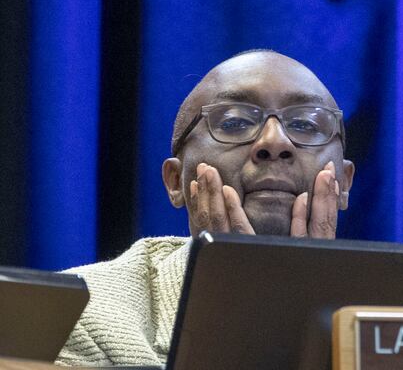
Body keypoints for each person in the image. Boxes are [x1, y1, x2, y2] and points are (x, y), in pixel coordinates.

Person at [56, 50, 355, 366]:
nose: (275, 141)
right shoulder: (78, 310)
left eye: (305, 124)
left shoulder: (402, 311)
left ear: (345, 183)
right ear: (175, 181)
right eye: (235, 122)